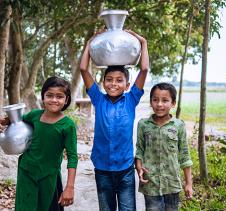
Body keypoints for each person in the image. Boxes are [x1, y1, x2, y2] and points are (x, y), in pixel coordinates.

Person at [79, 29, 149, 210]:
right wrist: (89, 43)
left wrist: (143, 43)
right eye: (109, 79)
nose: (113, 83)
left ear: (127, 85)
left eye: (119, 80)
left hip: (125, 169)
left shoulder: (131, 99)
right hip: (102, 168)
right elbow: (83, 69)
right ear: (103, 83)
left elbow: (144, 69)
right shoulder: (98, 99)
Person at [0, 76, 78, 211]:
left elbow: (72, 157)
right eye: (49, 95)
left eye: (59, 96)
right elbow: (18, 121)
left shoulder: (68, 125)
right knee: (25, 207)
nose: (54, 100)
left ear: (66, 100)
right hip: (26, 172)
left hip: (49, 177)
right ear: (43, 97)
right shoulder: (34, 115)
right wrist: (6, 121)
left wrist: (69, 187)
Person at [135, 82, 193, 211]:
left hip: (172, 183)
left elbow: (184, 155)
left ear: (173, 103)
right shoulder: (143, 124)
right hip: (150, 183)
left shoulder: (178, 125)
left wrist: (189, 183)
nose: (159, 104)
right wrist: (139, 167)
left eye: (165, 100)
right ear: (151, 102)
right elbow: (139, 149)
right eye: (155, 100)